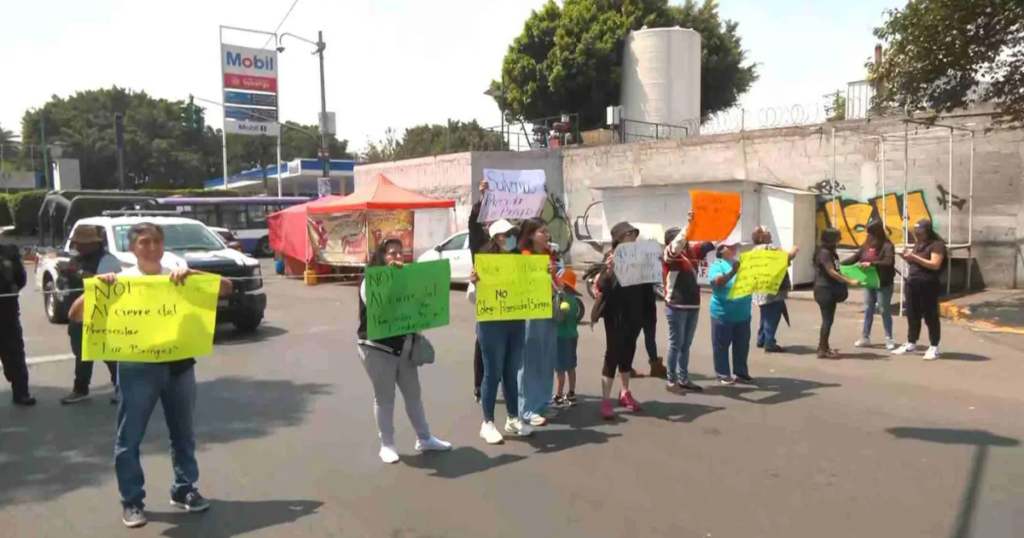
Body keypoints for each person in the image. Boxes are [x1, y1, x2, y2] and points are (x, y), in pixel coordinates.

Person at [68, 222, 233, 528]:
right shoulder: (120, 280)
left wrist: (195, 276)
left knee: (184, 434)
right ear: (133, 248)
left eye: (157, 241)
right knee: (129, 439)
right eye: (144, 242)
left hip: (180, 366)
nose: (152, 247)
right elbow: (75, 314)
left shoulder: (177, 274)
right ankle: (132, 501)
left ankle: (184, 489)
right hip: (136, 370)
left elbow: (226, 288)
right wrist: (98, 289)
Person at [357, 237, 452, 464]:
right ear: (381, 256)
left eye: (400, 253)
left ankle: (425, 437)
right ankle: (387, 444)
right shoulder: (371, 280)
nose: (397, 257)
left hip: (404, 345)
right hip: (377, 348)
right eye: (392, 253)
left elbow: (416, 308)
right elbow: (374, 303)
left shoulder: (409, 278)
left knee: (413, 394)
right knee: (385, 397)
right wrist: (389, 278)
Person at [469, 219, 533, 444]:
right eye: (507, 234)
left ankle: (513, 418)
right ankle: (487, 423)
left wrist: (541, 275)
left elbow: (531, 288)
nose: (511, 237)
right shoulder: (484, 263)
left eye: (513, 233)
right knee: (492, 373)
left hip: (515, 322)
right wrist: (475, 283)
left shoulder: (520, 261)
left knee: (511, 372)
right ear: (496, 238)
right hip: (491, 324)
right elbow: (472, 298)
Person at [595, 222, 654, 419]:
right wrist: (610, 269)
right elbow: (603, 286)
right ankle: (605, 400)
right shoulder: (610, 256)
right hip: (615, 314)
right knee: (613, 354)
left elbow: (648, 286)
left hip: (635, 312)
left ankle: (625, 393)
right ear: (618, 238)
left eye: (634, 234)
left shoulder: (641, 256)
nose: (632, 237)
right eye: (629, 234)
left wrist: (649, 315)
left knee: (629, 352)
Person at [61, 225, 123, 405]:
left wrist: (79, 273)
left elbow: (104, 283)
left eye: (81, 243)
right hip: (79, 314)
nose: (78, 246)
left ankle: (121, 388)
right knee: (82, 353)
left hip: (101, 314)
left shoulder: (107, 260)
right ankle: (80, 389)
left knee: (110, 354)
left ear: (93, 244)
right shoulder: (77, 259)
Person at [512, 218, 560, 427]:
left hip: (548, 310)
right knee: (529, 361)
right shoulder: (523, 257)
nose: (546, 235)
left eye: (547, 232)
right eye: (542, 232)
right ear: (531, 235)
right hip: (530, 312)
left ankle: (542, 402)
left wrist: (554, 278)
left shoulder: (549, 256)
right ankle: (527, 408)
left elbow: (555, 284)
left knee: (546, 356)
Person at [662, 212, 715, 393]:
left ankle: (683, 378)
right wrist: (689, 224)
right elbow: (677, 244)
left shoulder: (693, 252)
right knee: (676, 344)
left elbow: (713, 240)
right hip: (676, 306)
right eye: (684, 236)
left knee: (686, 345)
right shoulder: (670, 256)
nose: (688, 238)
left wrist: (727, 222)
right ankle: (671, 381)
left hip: (693, 305)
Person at [893, 219, 946, 360]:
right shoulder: (919, 244)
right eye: (916, 232)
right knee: (912, 314)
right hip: (913, 282)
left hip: (928, 284)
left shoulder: (937, 245)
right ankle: (911, 342)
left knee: (930, 315)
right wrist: (905, 257)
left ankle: (934, 346)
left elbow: (935, 264)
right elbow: (914, 262)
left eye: (921, 232)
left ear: (928, 231)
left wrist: (914, 257)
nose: (918, 235)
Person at [843, 218, 897, 350]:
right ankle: (865, 337)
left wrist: (872, 264)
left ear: (877, 233)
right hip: (868, 282)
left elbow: (888, 262)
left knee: (884, 310)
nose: (868, 235)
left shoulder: (887, 246)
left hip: (883, 283)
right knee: (868, 309)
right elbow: (855, 257)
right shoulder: (866, 245)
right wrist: (839, 265)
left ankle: (889, 338)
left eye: (870, 233)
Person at [708, 240, 754, 386]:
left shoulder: (742, 263)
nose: (734, 248)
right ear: (721, 250)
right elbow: (718, 282)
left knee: (742, 346)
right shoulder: (718, 265)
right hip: (723, 314)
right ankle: (723, 374)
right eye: (730, 246)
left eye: (735, 246)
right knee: (721, 345)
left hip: (743, 313)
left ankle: (741, 373)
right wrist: (733, 271)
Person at [813, 228, 861, 359]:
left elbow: (838, 268)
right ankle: (822, 350)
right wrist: (849, 281)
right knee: (827, 320)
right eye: (837, 238)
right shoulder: (824, 253)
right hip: (824, 290)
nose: (839, 240)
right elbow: (832, 272)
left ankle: (824, 346)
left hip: (829, 289)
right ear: (831, 239)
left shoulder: (830, 252)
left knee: (828, 320)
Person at [751, 226, 799, 353]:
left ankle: (762, 339)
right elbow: (786, 257)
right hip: (773, 289)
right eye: (768, 232)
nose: (770, 234)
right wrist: (794, 250)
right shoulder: (770, 248)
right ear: (762, 236)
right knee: (772, 316)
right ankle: (770, 343)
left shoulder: (754, 250)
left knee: (765, 315)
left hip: (760, 288)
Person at [0, 237, 35, 406]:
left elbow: (20, 279)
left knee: (14, 354)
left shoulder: (9, 253)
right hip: (7, 309)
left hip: (7, 312)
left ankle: (21, 393)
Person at [468, 179, 490, 402]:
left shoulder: (508, 242)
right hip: (487, 298)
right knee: (483, 341)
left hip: (509, 301)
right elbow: (474, 222)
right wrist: (483, 198)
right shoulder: (480, 243)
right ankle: (479, 384)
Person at [553, 267, 581, 407]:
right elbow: (576, 315)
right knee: (571, 366)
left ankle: (558, 395)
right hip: (573, 336)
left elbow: (558, 318)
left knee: (560, 369)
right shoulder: (574, 300)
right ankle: (571, 393)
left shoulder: (561, 299)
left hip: (560, 337)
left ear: (564, 285)